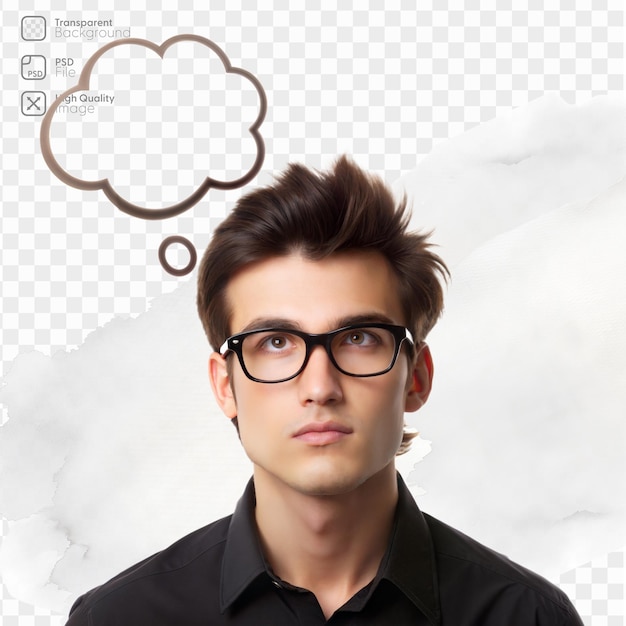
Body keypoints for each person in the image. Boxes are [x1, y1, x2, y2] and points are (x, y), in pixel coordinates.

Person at [65, 156, 583, 624]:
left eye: (359, 339)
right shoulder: (120, 619)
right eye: (275, 342)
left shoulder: (525, 617)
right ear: (226, 385)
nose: (319, 387)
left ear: (417, 377)